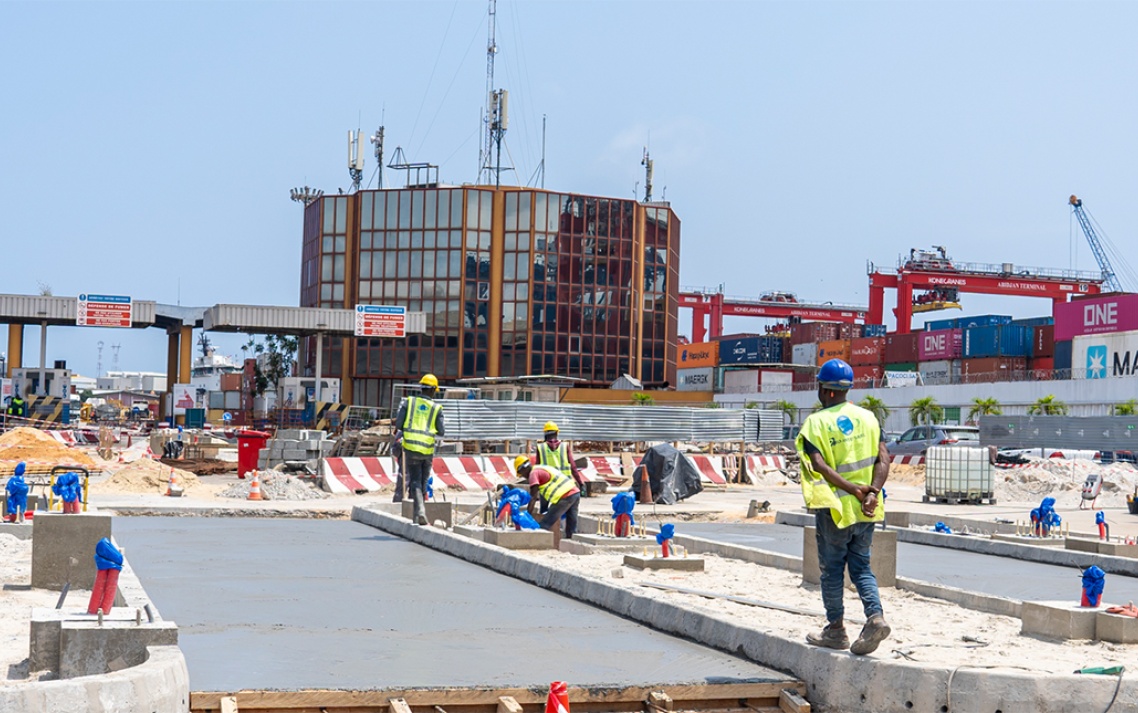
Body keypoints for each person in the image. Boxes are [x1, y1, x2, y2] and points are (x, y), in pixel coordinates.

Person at [796, 358, 891, 655]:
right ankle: (875, 617)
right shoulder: (869, 418)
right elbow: (884, 460)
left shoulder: (816, 422)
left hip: (835, 509)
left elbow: (820, 466)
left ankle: (835, 630)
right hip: (867, 508)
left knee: (833, 569)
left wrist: (852, 490)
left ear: (825, 390)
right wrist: (872, 492)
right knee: (862, 566)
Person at [393, 374, 445, 525]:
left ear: (421, 387)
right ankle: (420, 514)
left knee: (414, 480)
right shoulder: (436, 408)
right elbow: (441, 431)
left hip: (411, 447)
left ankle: (419, 513)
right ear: (434, 390)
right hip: (427, 449)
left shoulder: (409, 403)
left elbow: (399, 424)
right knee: (422, 482)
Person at [514, 455, 580, 548]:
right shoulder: (540, 468)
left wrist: (528, 515)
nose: (524, 477)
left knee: (545, 523)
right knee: (571, 526)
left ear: (523, 469)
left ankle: (535, 546)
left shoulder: (533, 474)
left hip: (564, 496)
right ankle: (573, 547)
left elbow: (533, 497)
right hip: (574, 492)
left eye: (522, 474)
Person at [534, 421, 588, 496]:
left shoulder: (541, 447)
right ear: (557, 433)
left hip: (548, 488)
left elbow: (536, 470)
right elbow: (573, 467)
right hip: (565, 486)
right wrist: (581, 484)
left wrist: (534, 488)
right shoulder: (564, 446)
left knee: (544, 507)